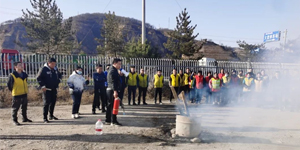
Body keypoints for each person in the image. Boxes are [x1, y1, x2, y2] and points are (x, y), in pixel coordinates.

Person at [37, 58, 61, 123]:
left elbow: (59, 75)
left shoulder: (55, 69)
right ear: (49, 63)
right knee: (46, 103)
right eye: (52, 64)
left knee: (53, 102)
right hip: (46, 89)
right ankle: (45, 118)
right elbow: (39, 78)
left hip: (54, 88)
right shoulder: (43, 69)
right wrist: (43, 86)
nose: (54, 65)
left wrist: (58, 81)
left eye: (55, 64)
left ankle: (51, 115)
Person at [7, 61, 32, 126]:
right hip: (16, 94)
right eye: (19, 65)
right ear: (15, 67)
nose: (21, 66)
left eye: (21, 65)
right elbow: (9, 85)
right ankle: (14, 120)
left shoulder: (24, 74)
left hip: (24, 92)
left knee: (24, 107)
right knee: (15, 108)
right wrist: (14, 91)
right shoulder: (12, 75)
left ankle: (24, 118)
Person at [105, 58, 122, 126]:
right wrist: (115, 91)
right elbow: (112, 82)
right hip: (111, 90)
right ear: (115, 63)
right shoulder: (112, 71)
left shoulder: (114, 70)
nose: (120, 65)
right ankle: (113, 121)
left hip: (111, 89)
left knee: (110, 106)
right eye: (119, 64)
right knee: (113, 106)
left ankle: (108, 120)